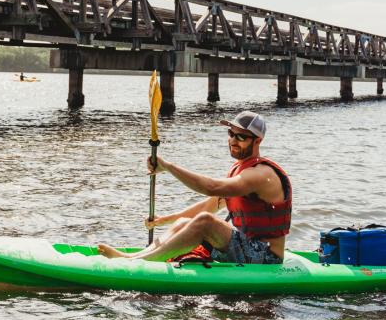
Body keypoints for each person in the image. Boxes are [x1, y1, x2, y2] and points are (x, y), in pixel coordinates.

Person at [98, 111, 291, 264]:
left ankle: (138, 263)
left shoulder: (260, 174)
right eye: (231, 134)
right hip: (247, 247)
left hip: (266, 257)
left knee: (205, 222)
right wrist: (165, 220)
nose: (233, 140)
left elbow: (212, 188)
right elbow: (210, 204)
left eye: (241, 137)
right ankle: (134, 257)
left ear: (257, 141)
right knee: (184, 222)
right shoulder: (239, 169)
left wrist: (168, 167)